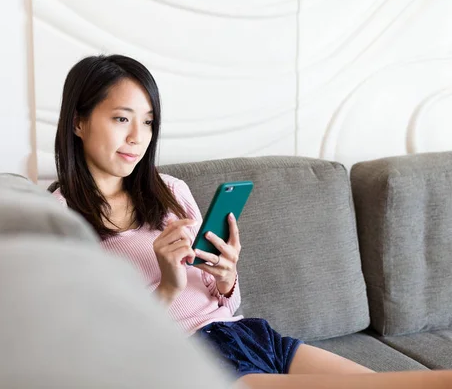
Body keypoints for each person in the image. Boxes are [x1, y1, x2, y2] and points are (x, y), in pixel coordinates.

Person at [49, 54, 387, 387]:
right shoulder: (59, 220)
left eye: (148, 121)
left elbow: (222, 299)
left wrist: (226, 278)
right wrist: (167, 287)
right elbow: (91, 344)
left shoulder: (170, 191)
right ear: (79, 122)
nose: (138, 136)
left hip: (246, 335)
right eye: (122, 119)